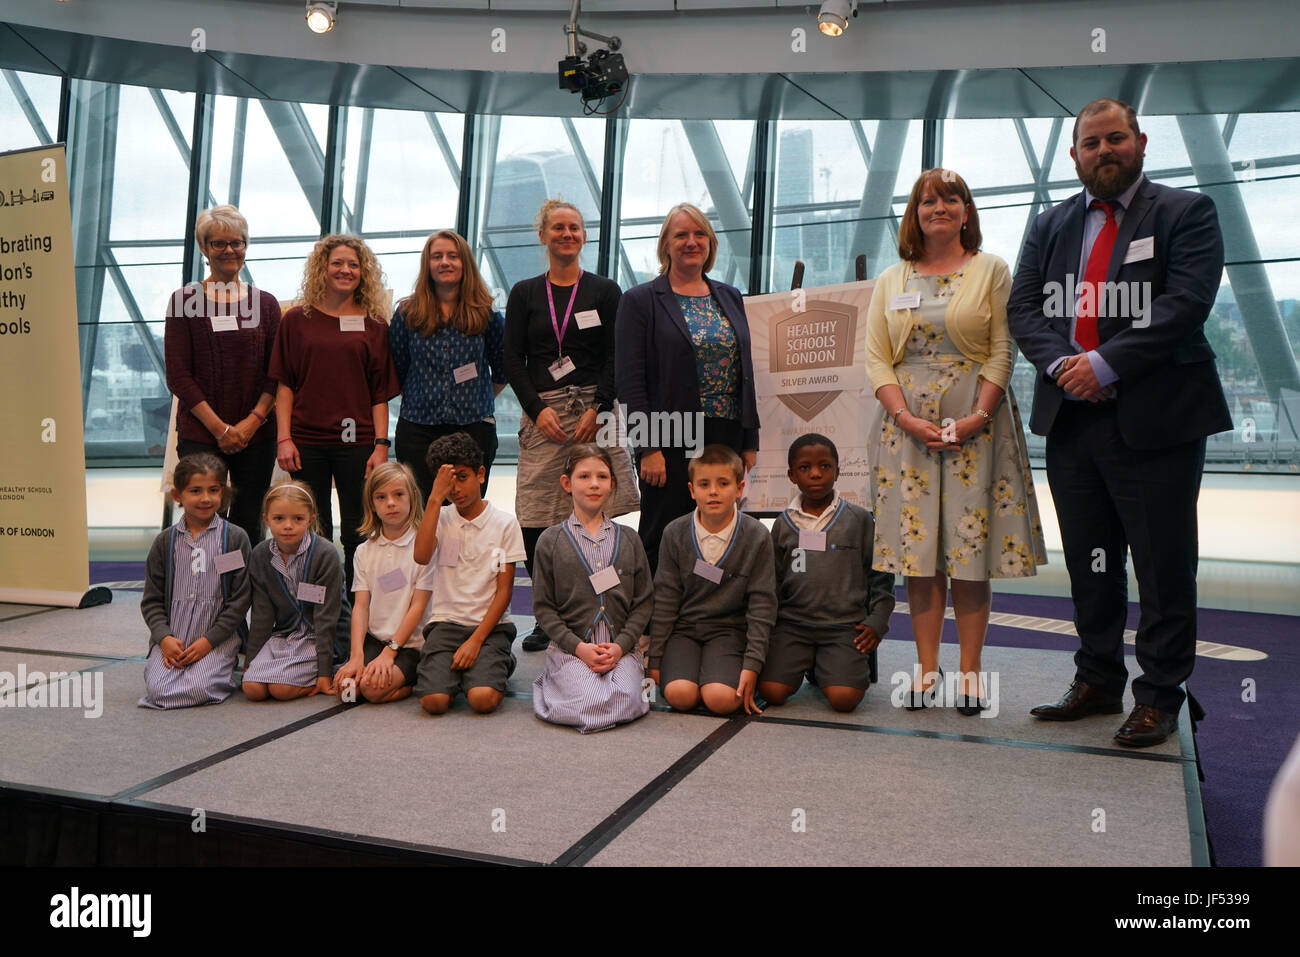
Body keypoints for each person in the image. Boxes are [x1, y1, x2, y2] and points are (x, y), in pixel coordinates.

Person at [1007, 98, 1231, 747]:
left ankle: (1159, 696)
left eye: (1115, 139)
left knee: (1164, 566)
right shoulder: (1049, 224)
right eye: (1091, 143)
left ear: (1140, 141)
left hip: (1156, 420)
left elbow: (1184, 303)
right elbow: (1024, 308)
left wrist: (1105, 364)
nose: (1103, 151)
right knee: (1091, 563)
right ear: (1074, 155)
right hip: (1073, 421)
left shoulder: (1186, 212)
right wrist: (1065, 367)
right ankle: (1098, 679)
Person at [866, 168, 1046, 714]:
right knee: (919, 556)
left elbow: (1002, 349)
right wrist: (905, 417)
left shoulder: (991, 270)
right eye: (928, 201)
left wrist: (977, 417)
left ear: (966, 211)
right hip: (907, 433)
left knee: (969, 554)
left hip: (977, 428)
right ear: (914, 213)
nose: (939, 207)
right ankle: (926, 670)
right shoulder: (891, 278)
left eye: (950, 198)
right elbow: (877, 358)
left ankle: (970, 673)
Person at [505, 199, 637, 651]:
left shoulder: (605, 291)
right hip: (543, 413)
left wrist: (598, 407)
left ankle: (604, 606)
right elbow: (512, 358)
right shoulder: (525, 293)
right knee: (535, 514)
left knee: (603, 504)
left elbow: (618, 353)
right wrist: (535, 408)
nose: (567, 234)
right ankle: (548, 616)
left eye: (575, 228)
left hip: (595, 411)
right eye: (558, 227)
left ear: (584, 235)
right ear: (543, 235)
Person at [615, 202, 761, 574]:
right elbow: (630, 381)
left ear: (710, 243)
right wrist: (647, 447)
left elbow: (744, 370)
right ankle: (653, 609)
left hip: (726, 431)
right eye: (681, 235)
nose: (691, 242)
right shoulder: (640, 300)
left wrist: (749, 439)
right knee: (663, 532)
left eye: (699, 235)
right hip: (670, 435)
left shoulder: (729, 296)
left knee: (718, 529)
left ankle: (712, 604)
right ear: (666, 244)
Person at [270, 234, 400, 594]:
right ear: (322, 269)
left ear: (363, 272)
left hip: (357, 442)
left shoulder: (375, 324)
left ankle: (359, 604)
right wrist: (283, 438)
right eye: (338, 263)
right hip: (306, 441)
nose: (346, 270)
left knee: (359, 528)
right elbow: (285, 386)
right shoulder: (296, 320)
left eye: (353, 265)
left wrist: (381, 445)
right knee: (314, 529)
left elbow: (379, 393)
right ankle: (317, 603)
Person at [165, 204, 281, 545]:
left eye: (236, 242)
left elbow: (276, 372)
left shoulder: (266, 304)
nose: (229, 250)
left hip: (256, 435)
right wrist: (221, 429)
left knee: (249, 520)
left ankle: (240, 579)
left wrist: (251, 423)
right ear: (204, 248)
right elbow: (178, 375)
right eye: (218, 243)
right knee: (204, 518)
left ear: (246, 246)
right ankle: (204, 579)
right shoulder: (184, 301)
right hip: (201, 434)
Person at [758, 434, 896, 714]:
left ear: (837, 471)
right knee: (771, 692)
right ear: (792, 475)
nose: (815, 474)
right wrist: (770, 626)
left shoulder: (860, 520)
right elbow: (773, 581)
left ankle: (827, 665)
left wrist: (878, 621)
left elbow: (881, 577)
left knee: (844, 700)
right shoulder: (783, 524)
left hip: (843, 627)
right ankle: (813, 662)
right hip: (794, 625)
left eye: (825, 466)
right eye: (805, 468)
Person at [532, 445, 654, 733]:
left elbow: (643, 602)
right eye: (584, 476)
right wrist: (579, 648)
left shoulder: (630, 539)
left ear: (613, 483)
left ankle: (606, 686)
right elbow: (544, 608)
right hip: (572, 649)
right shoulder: (550, 541)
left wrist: (621, 646)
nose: (594, 484)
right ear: (567, 483)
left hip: (620, 648)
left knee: (626, 699)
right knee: (589, 701)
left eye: (602, 476)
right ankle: (555, 681)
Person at [647, 444, 776, 716]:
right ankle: (696, 672)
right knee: (680, 696)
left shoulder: (757, 536)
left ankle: (719, 675)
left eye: (723, 483)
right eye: (704, 484)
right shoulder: (674, 533)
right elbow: (665, 598)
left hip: (730, 631)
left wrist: (752, 665)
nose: (713, 491)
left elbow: (762, 604)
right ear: (692, 490)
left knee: (720, 699)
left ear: (739, 488)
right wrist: (655, 659)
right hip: (684, 630)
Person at [411, 433, 527, 715]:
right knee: (434, 702)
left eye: (462, 477)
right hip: (445, 625)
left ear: (481, 474)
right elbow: (421, 556)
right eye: (448, 482)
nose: (456, 489)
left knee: (482, 700)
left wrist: (475, 641)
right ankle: (466, 673)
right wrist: (435, 498)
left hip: (490, 628)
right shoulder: (440, 517)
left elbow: (504, 592)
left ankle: (498, 661)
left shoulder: (505, 524)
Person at [390, 229, 507, 503]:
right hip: (418, 429)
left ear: (465, 262)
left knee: (466, 509)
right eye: (437, 256)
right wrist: (423, 396)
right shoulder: (407, 313)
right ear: (427, 264)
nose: (445, 262)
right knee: (421, 510)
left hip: (473, 428)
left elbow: (502, 369)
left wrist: (475, 398)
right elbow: (397, 368)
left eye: (453, 256)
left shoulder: (486, 312)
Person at [139, 453, 251, 709]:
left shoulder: (234, 538)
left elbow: (239, 600)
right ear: (178, 495)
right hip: (174, 637)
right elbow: (152, 601)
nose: (205, 498)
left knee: (199, 687)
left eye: (213, 490)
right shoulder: (165, 542)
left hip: (216, 637)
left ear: (223, 492)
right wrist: (164, 638)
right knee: (158, 691)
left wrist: (208, 641)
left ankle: (221, 667)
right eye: (195, 491)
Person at [331, 462, 434, 705]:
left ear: (413, 497)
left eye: (398, 495)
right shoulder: (364, 551)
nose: (390, 503)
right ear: (372, 503)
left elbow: (418, 606)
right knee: (346, 691)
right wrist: (356, 656)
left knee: (372, 690)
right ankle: (378, 675)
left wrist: (390, 652)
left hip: (410, 644)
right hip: (375, 640)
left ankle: (412, 681)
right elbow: (360, 606)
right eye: (381, 497)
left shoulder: (424, 545)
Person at [243, 482, 344, 701]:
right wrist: (250, 661)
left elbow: (326, 618)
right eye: (279, 518)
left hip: (318, 637)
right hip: (285, 635)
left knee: (281, 689)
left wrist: (324, 673)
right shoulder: (260, 555)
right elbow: (261, 614)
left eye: (298, 519)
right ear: (266, 519)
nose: (288, 526)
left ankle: (313, 677)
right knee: (252, 688)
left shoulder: (324, 554)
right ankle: (278, 673)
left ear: (310, 519)